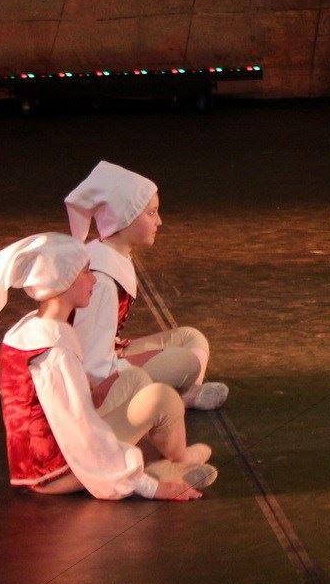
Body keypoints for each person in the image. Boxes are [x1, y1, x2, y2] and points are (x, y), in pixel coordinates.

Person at [0, 233, 213, 500]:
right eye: (85, 272)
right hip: (58, 470)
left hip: (48, 457)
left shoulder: (30, 328)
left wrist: (93, 388)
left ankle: (162, 460)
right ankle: (169, 467)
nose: (93, 279)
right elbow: (80, 433)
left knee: (134, 379)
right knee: (161, 398)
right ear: (63, 281)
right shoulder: (54, 353)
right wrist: (151, 489)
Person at [64, 161, 226, 411]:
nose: (159, 221)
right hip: (99, 377)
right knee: (187, 363)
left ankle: (184, 396)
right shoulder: (101, 280)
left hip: (112, 354)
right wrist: (133, 367)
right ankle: (168, 401)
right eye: (151, 213)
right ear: (125, 219)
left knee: (191, 338)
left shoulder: (115, 255)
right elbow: (91, 365)